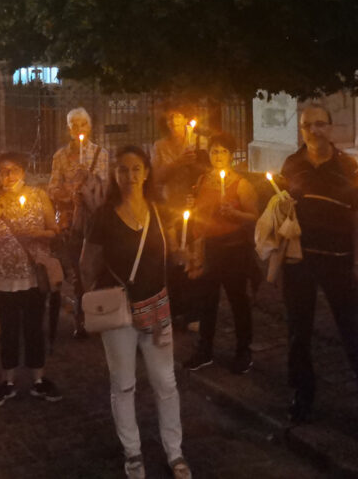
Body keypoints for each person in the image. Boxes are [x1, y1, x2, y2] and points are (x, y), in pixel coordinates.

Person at [279, 102, 358, 433]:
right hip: (300, 261)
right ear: (301, 130)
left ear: (330, 128)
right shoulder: (291, 165)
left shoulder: (347, 166)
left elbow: (357, 214)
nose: (315, 131)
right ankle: (302, 398)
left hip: (338, 261)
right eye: (308, 126)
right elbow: (281, 207)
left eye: (321, 124)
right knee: (298, 334)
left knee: (357, 337)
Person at [81, 146, 192, 479]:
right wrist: (95, 301)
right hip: (120, 314)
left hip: (157, 308)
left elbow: (171, 253)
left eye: (136, 169)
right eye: (123, 170)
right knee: (124, 384)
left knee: (165, 383)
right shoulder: (104, 215)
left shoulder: (158, 211)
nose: (130, 176)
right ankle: (133, 452)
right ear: (115, 175)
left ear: (146, 172)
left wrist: (182, 256)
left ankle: (175, 452)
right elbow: (87, 264)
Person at [0, 152, 62, 407]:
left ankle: (38, 380)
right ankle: (8, 381)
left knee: (34, 328)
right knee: (9, 329)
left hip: (33, 275)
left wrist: (40, 233)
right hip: (3, 277)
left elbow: (54, 231)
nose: (7, 175)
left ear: (23, 172)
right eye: (3, 171)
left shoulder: (38, 195)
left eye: (12, 170)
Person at [183, 133, 259, 375]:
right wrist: (191, 205)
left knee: (238, 300)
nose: (218, 156)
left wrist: (236, 215)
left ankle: (243, 350)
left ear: (231, 155)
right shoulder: (203, 179)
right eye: (214, 151)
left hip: (234, 249)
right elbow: (198, 210)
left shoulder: (242, 184)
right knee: (207, 300)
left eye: (223, 152)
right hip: (210, 248)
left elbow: (255, 218)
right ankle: (204, 349)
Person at [48, 107, 109, 339]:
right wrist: (69, 191)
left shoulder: (100, 154)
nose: (79, 129)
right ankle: (80, 319)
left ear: (89, 127)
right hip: (72, 221)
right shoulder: (60, 157)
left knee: (96, 268)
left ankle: (100, 314)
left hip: (93, 219)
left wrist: (89, 181)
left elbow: (104, 190)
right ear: (69, 129)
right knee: (76, 270)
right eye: (74, 125)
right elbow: (52, 188)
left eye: (82, 124)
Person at [151, 108, 205, 329]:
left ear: (186, 119)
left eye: (179, 116)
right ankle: (174, 308)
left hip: (194, 206)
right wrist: (178, 163)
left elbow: (204, 172)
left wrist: (194, 167)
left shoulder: (198, 143)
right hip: (168, 207)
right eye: (170, 117)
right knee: (173, 258)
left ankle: (194, 311)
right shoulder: (160, 146)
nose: (174, 120)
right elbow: (156, 178)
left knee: (193, 256)